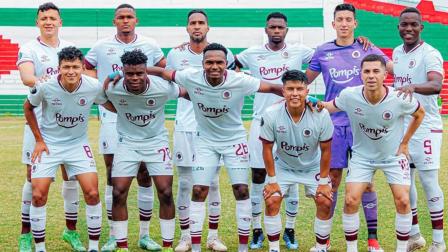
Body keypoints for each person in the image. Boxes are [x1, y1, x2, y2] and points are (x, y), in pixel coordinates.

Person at [145, 43, 286, 252]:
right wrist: (138, 70)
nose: (214, 66)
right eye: (209, 62)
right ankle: (195, 247)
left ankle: (242, 248)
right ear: (202, 64)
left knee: (241, 190)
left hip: (234, 141)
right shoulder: (190, 76)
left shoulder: (240, 80)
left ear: (226, 64)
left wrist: (300, 98)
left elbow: (274, 88)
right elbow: (164, 73)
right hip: (206, 142)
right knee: (199, 189)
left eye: (219, 62)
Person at [306, 4, 393, 251]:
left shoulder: (366, 48)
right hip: (333, 125)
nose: (344, 24)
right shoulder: (322, 51)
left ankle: (372, 239)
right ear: (333, 24)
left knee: (366, 182)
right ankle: (323, 241)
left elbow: (391, 69)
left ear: (355, 24)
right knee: (331, 180)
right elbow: (304, 81)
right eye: (339, 20)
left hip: (363, 125)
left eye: (348, 20)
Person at [319, 54, 425, 252]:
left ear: (385, 74)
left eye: (376, 71)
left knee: (403, 200)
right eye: (366, 71)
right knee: (351, 200)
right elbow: (328, 107)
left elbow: (420, 114)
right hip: (362, 158)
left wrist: (405, 143)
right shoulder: (349, 95)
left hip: (392, 157)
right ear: (360, 74)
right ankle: (352, 249)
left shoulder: (399, 97)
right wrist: (309, 102)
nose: (371, 76)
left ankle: (401, 249)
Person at [83, 4, 166, 251]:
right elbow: (87, 68)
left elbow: (162, 70)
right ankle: (113, 234)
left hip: (142, 114)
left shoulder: (150, 44)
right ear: (114, 21)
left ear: (136, 20)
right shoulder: (101, 46)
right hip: (112, 114)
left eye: (129, 17)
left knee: (144, 172)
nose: (125, 21)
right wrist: (102, 94)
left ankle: (144, 234)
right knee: (112, 172)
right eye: (121, 17)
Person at [234, 12, 313, 249]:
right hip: (261, 120)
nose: (276, 30)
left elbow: (325, 57)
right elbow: (231, 62)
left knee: (293, 174)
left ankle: (289, 229)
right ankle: (257, 229)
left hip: (292, 122)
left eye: (280, 27)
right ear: (266, 30)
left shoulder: (300, 51)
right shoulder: (252, 53)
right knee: (258, 175)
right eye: (272, 27)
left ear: (286, 30)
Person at [23, 46, 113, 252]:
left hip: (77, 145)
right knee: (38, 195)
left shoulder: (93, 86)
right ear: (58, 68)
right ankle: (40, 248)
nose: (71, 71)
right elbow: (28, 107)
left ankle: (93, 247)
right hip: (49, 145)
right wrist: (38, 140)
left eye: (75, 67)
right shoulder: (45, 86)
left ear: (82, 67)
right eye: (66, 67)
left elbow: (109, 104)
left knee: (92, 193)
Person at [101, 49, 189, 252]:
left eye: (139, 73)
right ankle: (122, 246)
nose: (134, 78)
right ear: (122, 71)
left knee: (166, 192)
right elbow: (99, 98)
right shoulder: (113, 88)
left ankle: (167, 246)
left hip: (156, 143)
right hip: (127, 143)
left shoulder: (163, 88)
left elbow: (187, 92)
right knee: (118, 192)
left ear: (146, 72)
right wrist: (111, 80)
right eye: (129, 73)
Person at [165, 9, 234, 252]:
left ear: (208, 27)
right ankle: (185, 237)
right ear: (187, 28)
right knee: (185, 184)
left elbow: (234, 80)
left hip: (214, 128)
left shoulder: (222, 53)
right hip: (185, 126)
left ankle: (213, 237)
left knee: (213, 183)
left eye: (201, 23)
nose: (197, 27)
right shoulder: (175, 54)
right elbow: (164, 81)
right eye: (192, 23)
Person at [16, 3, 82, 251]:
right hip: (38, 124)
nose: (48, 22)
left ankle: (71, 231)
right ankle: (25, 235)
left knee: (71, 175)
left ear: (60, 22)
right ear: (37, 22)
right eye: (43, 18)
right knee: (33, 180)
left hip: (68, 124)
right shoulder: (30, 48)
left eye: (53, 18)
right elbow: (27, 77)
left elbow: (81, 75)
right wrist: (57, 81)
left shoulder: (68, 49)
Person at [260, 70, 333, 252]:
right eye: (290, 89)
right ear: (283, 91)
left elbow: (326, 151)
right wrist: (272, 181)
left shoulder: (320, 114)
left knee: (325, 201)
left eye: (299, 89)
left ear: (307, 91)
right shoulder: (271, 114)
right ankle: (274, 248)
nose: (294, 93)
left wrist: (324, 182)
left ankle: (321, 247)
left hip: (312, 166)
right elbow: (267, 148)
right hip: (283, 166)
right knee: (272, 199)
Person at [392, 7, 445, 252]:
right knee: (405, 180)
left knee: (428, 182)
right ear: (399, 27)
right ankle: (415, 235)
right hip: (402, 127)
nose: (409, 28)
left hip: (426, 128)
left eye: (414, 24)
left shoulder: (430, 54)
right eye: (405, 24)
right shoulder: (397, 53)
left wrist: (413, 87)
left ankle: (438, 241)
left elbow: (435, 84)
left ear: (421, 27)